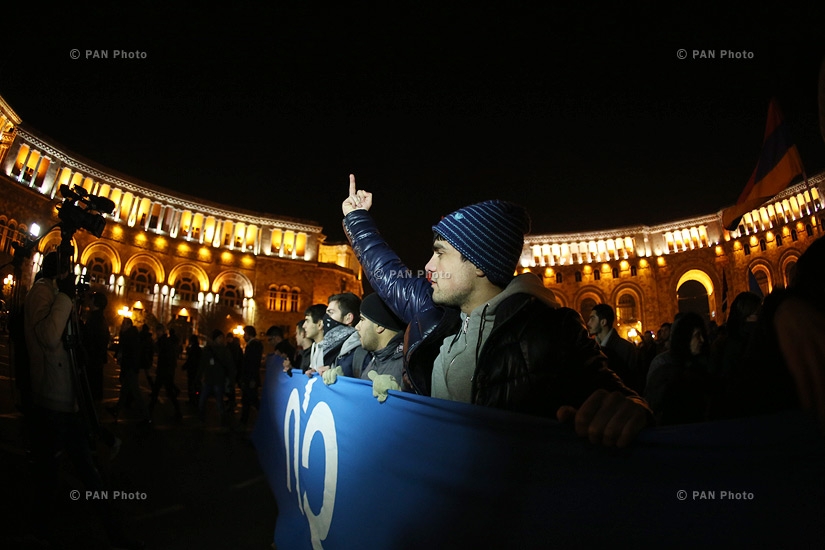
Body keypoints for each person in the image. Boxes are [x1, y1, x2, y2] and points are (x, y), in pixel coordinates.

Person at [341, 174, 651, 448]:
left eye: (440, 254)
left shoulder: (552, 330)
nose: (428, 266)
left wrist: (632, 409)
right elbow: (388, 274)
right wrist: (356, 217)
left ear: (478, 264)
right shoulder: (434, 312)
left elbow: (614, 396)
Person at [24, 250, 143, 548]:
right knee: (58, 470)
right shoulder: (41, 292)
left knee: (82, 469)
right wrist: (65, 297)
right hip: (51, 398)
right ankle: (47, 527)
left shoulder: (56, 293)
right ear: (58, 271)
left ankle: (108, 526)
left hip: (66, 397)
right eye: (68, 270)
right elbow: (49, 337)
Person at [644, 312, 718, 425]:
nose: (702, 340)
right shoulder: (662, 364)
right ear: (685, 337)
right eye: (697, 335)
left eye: (703, 335)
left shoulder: (706, 364)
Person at [324, 292, 407, 386]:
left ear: (379, 326)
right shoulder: (376, 359)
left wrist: (399, 395)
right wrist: (342, 383)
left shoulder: (407, 367)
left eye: (362, 319)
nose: (357, 327)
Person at [586, 303, 641, 392]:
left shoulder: (626, 349)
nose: (588, 323)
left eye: (592, 318)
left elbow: (633, 384)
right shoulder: (592, 348)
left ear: (603, 322)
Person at [109, 317, 151, 427]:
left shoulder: (130, 336)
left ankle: (147, 416)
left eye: (124, 324)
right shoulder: (130, 335)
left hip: (130, 368)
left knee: (135, 393)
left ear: (128, 325)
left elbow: (129, 353)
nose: (122, 326)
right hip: (130, 367)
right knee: (124, 392)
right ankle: (116, 410)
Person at [308, 293, 362, 377]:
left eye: (331, 312)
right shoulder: (332, 346)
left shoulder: (357, 350)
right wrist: (317, 373)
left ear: (348, 318)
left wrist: (336, 375)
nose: (325, 318)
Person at [199, 329, 234, 425]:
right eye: (220, 337)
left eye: (222, 337)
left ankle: (222, 419)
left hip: (217, 379)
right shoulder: (210, 350)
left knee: (218, 401)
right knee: (205, 400)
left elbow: (230, 365)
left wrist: (231, 378)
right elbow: (202, 364)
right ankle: (203, 418)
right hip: (211, 378)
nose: (222, 339)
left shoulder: (223, 350)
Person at [149, 324, 183, 421]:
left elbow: (161, 354)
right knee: (165, 392)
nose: (157, 333)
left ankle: (149, 411)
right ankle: (177, 411)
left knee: (158, 392)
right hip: (166, 370)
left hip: (164, 371)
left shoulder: (163, 341)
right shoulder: (166, 341)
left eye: (158, 331)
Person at [239, 325, 264, 425]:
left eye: (245, 334)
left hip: (250, 378)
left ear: (249, 335)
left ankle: (244, 422)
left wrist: (252, 379)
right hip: (250, 378)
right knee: (250, 400)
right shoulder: (254, 345)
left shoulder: (253, 346)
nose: (243, 337)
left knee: (250, 400)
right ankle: (244, 421)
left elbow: (252, 364)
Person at [302, 304, 327, 370]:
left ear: (320, 324)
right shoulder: (314, 346)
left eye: (307, 321)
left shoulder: (329, 349)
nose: (304, 326)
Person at [182, 334, 202, 405]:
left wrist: (184, 366)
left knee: (191, 386)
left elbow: (190, 360)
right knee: (197, 386)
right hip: (197, 370)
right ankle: (197, 398)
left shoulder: (192, 349)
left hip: (192, 370)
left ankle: (192, 399)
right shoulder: (199, 349)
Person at [225, 332, 243, 411]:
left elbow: (236, 359)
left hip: (232, 370)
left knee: (230, 386)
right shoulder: (232, 347)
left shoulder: (232, 347)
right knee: (230, 386)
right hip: (232, 369)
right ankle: (231, 401)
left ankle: (231, 401)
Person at [139, 323, 155, 388]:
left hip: (140, 356)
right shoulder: (149, 338)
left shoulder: (140, 336)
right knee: (147, 373)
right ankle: (152, 386)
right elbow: (152, 349)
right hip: (146, 357)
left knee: (136, 372)